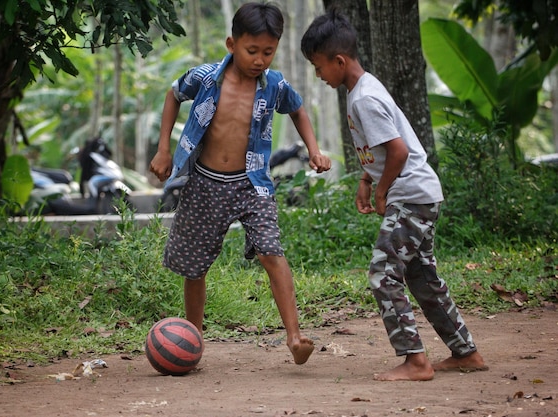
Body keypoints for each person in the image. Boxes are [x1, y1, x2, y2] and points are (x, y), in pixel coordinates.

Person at [300, 10, 487, 381]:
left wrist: (382, 188)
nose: (319, 75)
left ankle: (416, 361)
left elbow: (399, 151)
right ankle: (466, 353)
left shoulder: (364, 98)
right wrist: (368, 181)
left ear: (339, 61)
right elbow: (383, 149)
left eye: (319, 67)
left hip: (411, 195)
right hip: (420, 192)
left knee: (383, 273)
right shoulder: (362, 90)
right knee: (421, 276)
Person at [149, 1, 331, 365]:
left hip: (252, 183)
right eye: (252, 51)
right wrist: (163, 149)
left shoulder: (274, 84)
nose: (260, 59)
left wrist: (314, 149)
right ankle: (193, 340)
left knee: (271, 251)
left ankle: (295, 337)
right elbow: (173, 94)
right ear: (232, 45)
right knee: (194, 266)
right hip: (204, 182)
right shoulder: (203, 77)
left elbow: (297, 109)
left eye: (269, 52)